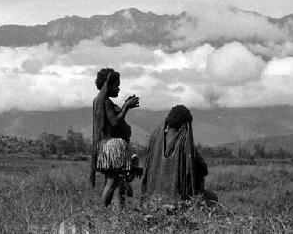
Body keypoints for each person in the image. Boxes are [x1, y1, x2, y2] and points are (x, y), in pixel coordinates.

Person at [141, 105, 217, 204]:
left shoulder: (155, 139)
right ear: (185, 124)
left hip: (153, 197)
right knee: (212, 197)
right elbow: (203, 169)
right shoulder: (184, 143)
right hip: (179, 198)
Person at [90, 68, 139, 207]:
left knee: (114, 181)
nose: (118, 88)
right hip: (112, 146)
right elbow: (115, 122)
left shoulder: (100, 101)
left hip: (107, 145)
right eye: (116, 85)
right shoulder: (105, 101)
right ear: (108, 85)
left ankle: (117, 211)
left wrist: (124, 105)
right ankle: (100, 211)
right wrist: (126, 107)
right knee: (111, 182)